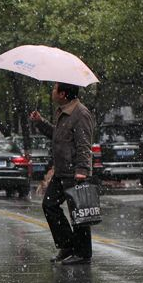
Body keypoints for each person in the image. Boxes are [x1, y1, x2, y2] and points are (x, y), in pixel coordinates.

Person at [30, 82, 95, 265]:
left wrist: (82, 170)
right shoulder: (62, 112)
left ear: (63, 94)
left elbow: (84, 144)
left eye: (55, 88)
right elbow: (57, 135)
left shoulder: (81, 114)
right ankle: (67, 245)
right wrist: (40, 123)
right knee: (49, 205)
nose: (52, 91)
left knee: (79, 213)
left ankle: (83, 254)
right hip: (61, 171)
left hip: (75, 172)